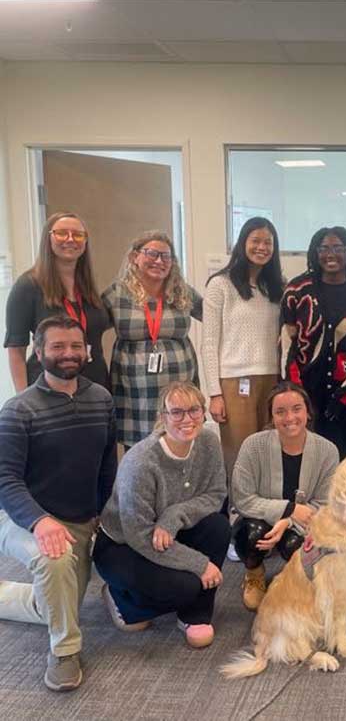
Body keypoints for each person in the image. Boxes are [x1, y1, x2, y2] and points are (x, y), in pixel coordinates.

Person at [0, 316, 116, 691]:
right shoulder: (18, 410)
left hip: (81, 520)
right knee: (55, 563)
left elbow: (106, 467)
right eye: (57, 347)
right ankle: (64, 651)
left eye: (75, 346)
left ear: (86, 350)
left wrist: (103, 513)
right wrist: (40, 521)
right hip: (24, 519)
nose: (68, 354)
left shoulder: (101, 399)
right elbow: (5, 480)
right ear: (38, 350)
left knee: (57, 602)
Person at [93, 381, 229, 649]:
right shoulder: (140, 462)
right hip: (123, 545)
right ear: (162, 417)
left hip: (171, 532)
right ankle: (122, 598)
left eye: (194, 410)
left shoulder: (209, 441)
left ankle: (195, 614)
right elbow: (139, 536)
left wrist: (174, 515)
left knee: (219, 528)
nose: (187, 419)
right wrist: (199, 564)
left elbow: (216, 494)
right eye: (176, 412)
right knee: (186, 585)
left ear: (203, 413)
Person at [230, 382, 339, 611]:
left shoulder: (328, 451)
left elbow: (323, 504)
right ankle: (254, 573)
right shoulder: (253, 445)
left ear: (308, 412)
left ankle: (295, 581)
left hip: (300, 523)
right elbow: (242, 498)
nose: (289, 417)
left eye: (297, 408)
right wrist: (289, 508)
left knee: (296, 545)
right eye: (280, 411)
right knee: (251, 535)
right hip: (257, 520)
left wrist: (288, 520)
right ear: (272, 416)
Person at [280, 226, 346, 458]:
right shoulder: (297, 291)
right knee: (304, 457)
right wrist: (295, 393)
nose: (330, 254)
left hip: (345, 398)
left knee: (341, 457)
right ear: (315, 252)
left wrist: (344, 396)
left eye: (337, 247)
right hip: (304, 393)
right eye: (323, 248)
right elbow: (286, 345)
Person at [103, 230, 203, 447]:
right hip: (135, 392)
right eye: (152, 254)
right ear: (134, 257)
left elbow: (214, 317)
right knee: (140, 449)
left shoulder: (182, 292)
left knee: (181, 443)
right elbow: (90, 327)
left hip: (180, 384)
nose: (159, 261)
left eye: (166, 256)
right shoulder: (117, 294)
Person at [203, 217, 285, 477]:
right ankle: (237, 513)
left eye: (268, 243)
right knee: (239, 455)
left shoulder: (277, 287)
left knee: (270, 452)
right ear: (243, 243)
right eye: (256, 241)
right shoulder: (220, 285)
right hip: (234, 382)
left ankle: (268, 511)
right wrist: (215, 394)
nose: (262, 247)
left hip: (271, 378)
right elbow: (208, 343)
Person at [5, 212, 110, 392]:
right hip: (48, 391)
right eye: (61, 233)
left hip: (95, 388)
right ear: (48, 238)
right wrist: (23, 399)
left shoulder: (87, 286)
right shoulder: (28, 286)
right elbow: (16, 349)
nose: (70, 239)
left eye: (78, 235)